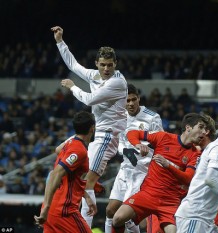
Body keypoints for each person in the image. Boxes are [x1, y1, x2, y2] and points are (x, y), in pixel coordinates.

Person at [51, 26, 127, 227]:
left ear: (115, 64)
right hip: (95, 133)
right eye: (102, 65)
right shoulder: (95, 75)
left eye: (110, 65)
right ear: (97, 64)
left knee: (87, 181)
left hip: (108, 135)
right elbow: (73, 65)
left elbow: (90, 100)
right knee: (59, 150)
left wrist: (72, 86)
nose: (106, 69)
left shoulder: (117, 83)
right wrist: (60, 41)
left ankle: (83, 227)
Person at [112, 113, 209, 233]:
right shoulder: (164, 137)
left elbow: (188, 178)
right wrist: (138, 144)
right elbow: (132, 133)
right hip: (149, 194)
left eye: (205, 129)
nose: (204, 132)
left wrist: (168, 165)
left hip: (170, 202)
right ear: (188, 127)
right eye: (201, 127)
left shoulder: (195, 153)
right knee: (117, 219)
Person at [105, 84, 163, 233]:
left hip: (143, 171)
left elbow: (161, 142)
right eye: (127, 100)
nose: (130, 104)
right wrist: (127, 150)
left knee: (128, 216)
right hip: (125, 168)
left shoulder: (152, 117)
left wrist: (144, 147)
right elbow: (117, 143)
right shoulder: (119, 117)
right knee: (110, 211)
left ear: (139, 98)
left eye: (133, 100)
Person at [34, 111, 96, 232]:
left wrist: (87, 196)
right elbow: (55, 174)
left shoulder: (69, 144)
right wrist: (46, 207)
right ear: (92, 128)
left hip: (53, 209)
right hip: (64, 211)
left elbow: (57, 150)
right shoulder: (79, 150)